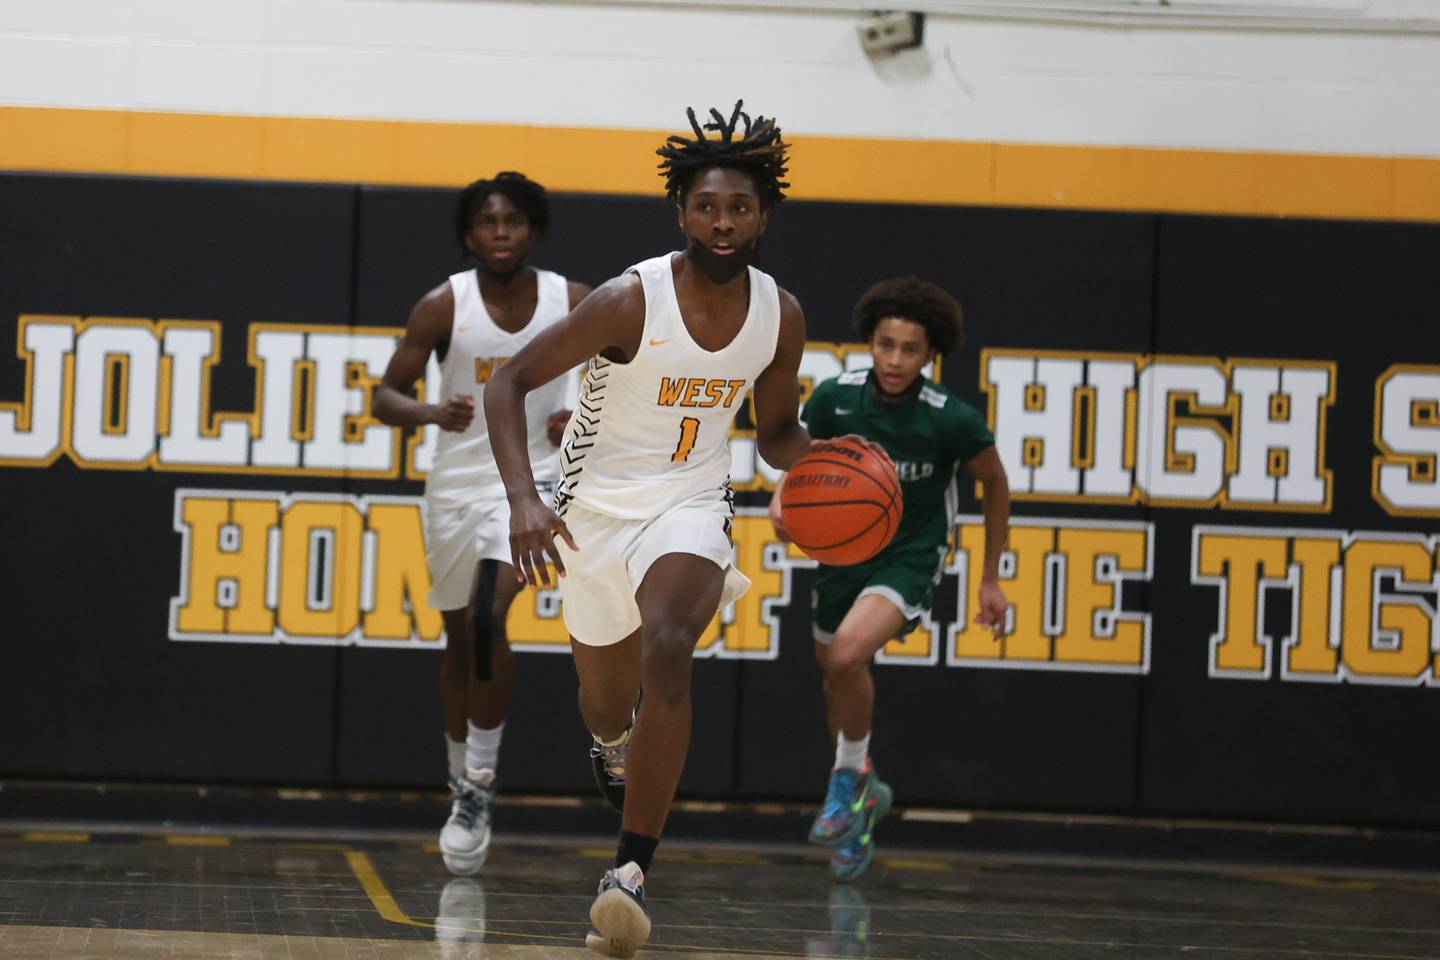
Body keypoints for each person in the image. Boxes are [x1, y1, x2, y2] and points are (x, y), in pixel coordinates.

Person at [485, 102, 869, 958]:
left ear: (765, 216)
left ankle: (628, 872)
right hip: (591, 511)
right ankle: (612, 745)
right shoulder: (631, 299)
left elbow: (772, 434)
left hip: (690, 504)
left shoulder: (782, 315)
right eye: (707, 207)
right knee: (605, 700)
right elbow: (505, 385)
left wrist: (827, 463)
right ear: (681, 213)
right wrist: (523, 499)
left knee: (669, 642)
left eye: (739, 208)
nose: (723, 223)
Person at [374, 171, 591, 876]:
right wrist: (431, 413)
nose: (502, 234)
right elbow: (384, 396)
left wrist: (583, 415)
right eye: (488, 224)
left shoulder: (574, 301)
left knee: (490, 613)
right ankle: (460, 782)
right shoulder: (445, 305)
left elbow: (623, 377)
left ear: (535, 229)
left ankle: (482, 785)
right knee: (460, 637)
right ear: (470, 235)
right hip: (457, 485)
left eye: (514, 222)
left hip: (533, 484)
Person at [770, 276, 1011, 881]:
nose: (895, 360)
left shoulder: (951, 421)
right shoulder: (835, 398)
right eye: (886, 345)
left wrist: (990, 579)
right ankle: (865, 802)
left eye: (910, 349)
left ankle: (849, 782)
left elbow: (996, 484)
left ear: (932, 355)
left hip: (912, 555)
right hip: (844, 556)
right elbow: (804, 463)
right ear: (869, 343)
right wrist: (783, 500)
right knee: (835, 678)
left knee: (848, 656)